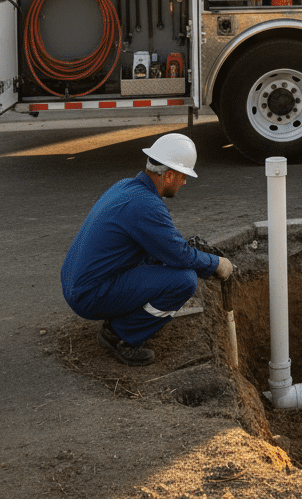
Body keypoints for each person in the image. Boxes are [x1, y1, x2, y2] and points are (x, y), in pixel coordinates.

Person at [61, 133, 233, 366]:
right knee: (184, 281)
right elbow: (179, 255)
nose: (184, 182)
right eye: (183, 176)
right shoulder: (147, 206)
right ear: (169, 175)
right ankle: (120, 335)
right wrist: (216, 264)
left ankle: (124, 316)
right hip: (89, 295)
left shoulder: (126, 186)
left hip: (77, 283)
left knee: (161, 262)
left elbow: (163, 247)